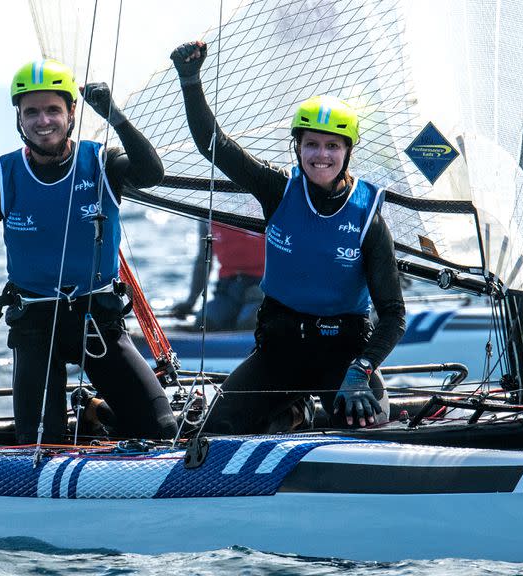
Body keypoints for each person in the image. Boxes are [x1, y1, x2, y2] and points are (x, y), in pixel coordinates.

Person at [0, 59, 178, 444]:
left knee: (162, 431)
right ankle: (86, 417)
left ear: (71, 113)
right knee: (40, 443)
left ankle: (95, 413)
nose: (43, 121)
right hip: (35, 324)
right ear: (19, 119)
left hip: (98, 320)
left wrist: (114, 115)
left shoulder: (101, 162)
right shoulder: (2, 179)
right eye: (32, 112)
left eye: (53, 110)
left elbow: (152, 173)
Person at [170, 41, 406, 432]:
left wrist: (362, 369)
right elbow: (215, 148)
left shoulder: (369, 218)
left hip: (343, 358)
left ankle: (302, 410)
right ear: (296, 147)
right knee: (215, 431)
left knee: (368, 427)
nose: (321, 155)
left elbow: (394, 315)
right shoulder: (277, 189)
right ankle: (295, 411)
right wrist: (191, 80)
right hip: (280, 352)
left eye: (332, 146)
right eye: (311, 144)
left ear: (348, 151)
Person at [172, 221, 265, 331]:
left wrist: (267, 292)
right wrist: (190, 302)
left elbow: (285, 253)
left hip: (262, 288)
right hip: (227, 290)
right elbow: (203, 261)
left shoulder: (262, 209)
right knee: (204, 323)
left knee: (249, 323)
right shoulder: (207, 213)